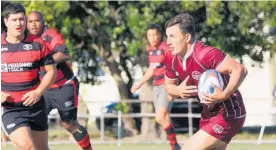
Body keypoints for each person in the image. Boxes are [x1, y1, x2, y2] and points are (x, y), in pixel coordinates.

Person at [164, 13, 247, 150]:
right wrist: (177, 90)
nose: (168, 42)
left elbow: (240, 70)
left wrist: (223, 94)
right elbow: (168, 86)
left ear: (187, 37)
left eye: (172, 36)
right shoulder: (171, 57)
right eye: (167, 36)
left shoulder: (205, 54)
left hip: (229, 113)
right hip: (208, 114)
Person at [27, 11, 92, 150]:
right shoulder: (25, 39)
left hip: (64, 86)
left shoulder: (50, 35)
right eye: (30, 21)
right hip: (43, 89)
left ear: (43, 22)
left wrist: (43, 64)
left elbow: (64, 54)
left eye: (37, 21)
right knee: (32, 124)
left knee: (69, 124)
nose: (33, 24)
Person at [1, 3, 57, 150]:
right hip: (10, 108)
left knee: (42, 148)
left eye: (21, 19)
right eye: (14, 20)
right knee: (28, 146)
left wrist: (38, 92)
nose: (19, 23)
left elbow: (51, 71)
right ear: (6, 21)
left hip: (36, 107)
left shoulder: (38, 43)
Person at [131, 24, 181, 150]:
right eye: (149, 35)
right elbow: (151, 70)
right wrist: (139, 83)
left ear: (160, 35)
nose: (152, 38)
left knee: (159, 117)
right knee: (162, 118)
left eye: (155, 34)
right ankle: (174, 145)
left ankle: (175, 145)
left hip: (166, 85)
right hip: (157, 86)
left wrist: (172, 88)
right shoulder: (151, 50)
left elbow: (175, 67)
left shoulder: (166, 48)